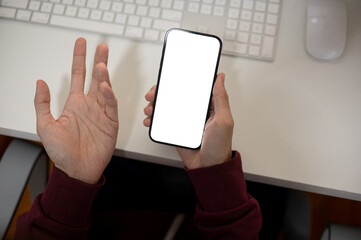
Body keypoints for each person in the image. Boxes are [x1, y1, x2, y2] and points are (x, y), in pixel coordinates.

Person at [15, 38, 262, 239]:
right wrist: (215, 174)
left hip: (101, 216)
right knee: (268, 187)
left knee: (126, 162)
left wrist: (73, 179)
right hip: (191, 221)